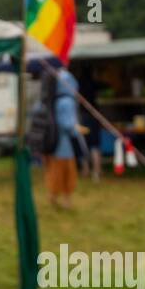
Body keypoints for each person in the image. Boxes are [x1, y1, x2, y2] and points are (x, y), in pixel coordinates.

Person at [43, 65, 86, 209]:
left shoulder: (53, 100)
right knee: (66, 173)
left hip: (54, 144)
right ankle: (65, 200)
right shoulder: (67, 102)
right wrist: (78, 130)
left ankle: (53, 197)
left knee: (54, 172)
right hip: (64, 146)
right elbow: (68, 124)